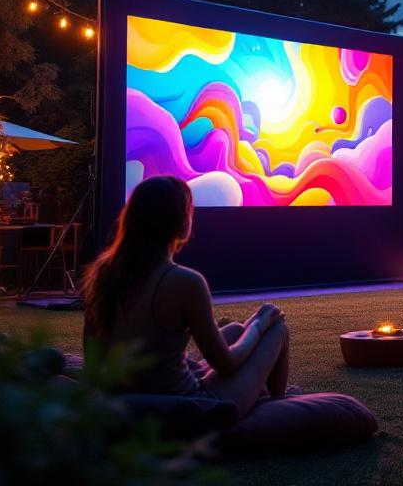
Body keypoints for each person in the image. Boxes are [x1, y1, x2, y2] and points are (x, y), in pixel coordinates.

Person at [81, 176, 289, 417]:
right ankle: (277, 411)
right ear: (182, 223)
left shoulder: (102, 275)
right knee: (276, 330)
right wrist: (258, 324)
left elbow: (93, 363)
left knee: (233, 330)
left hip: (121, 399)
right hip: (190, 404)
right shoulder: (185, 281)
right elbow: (226, 364)